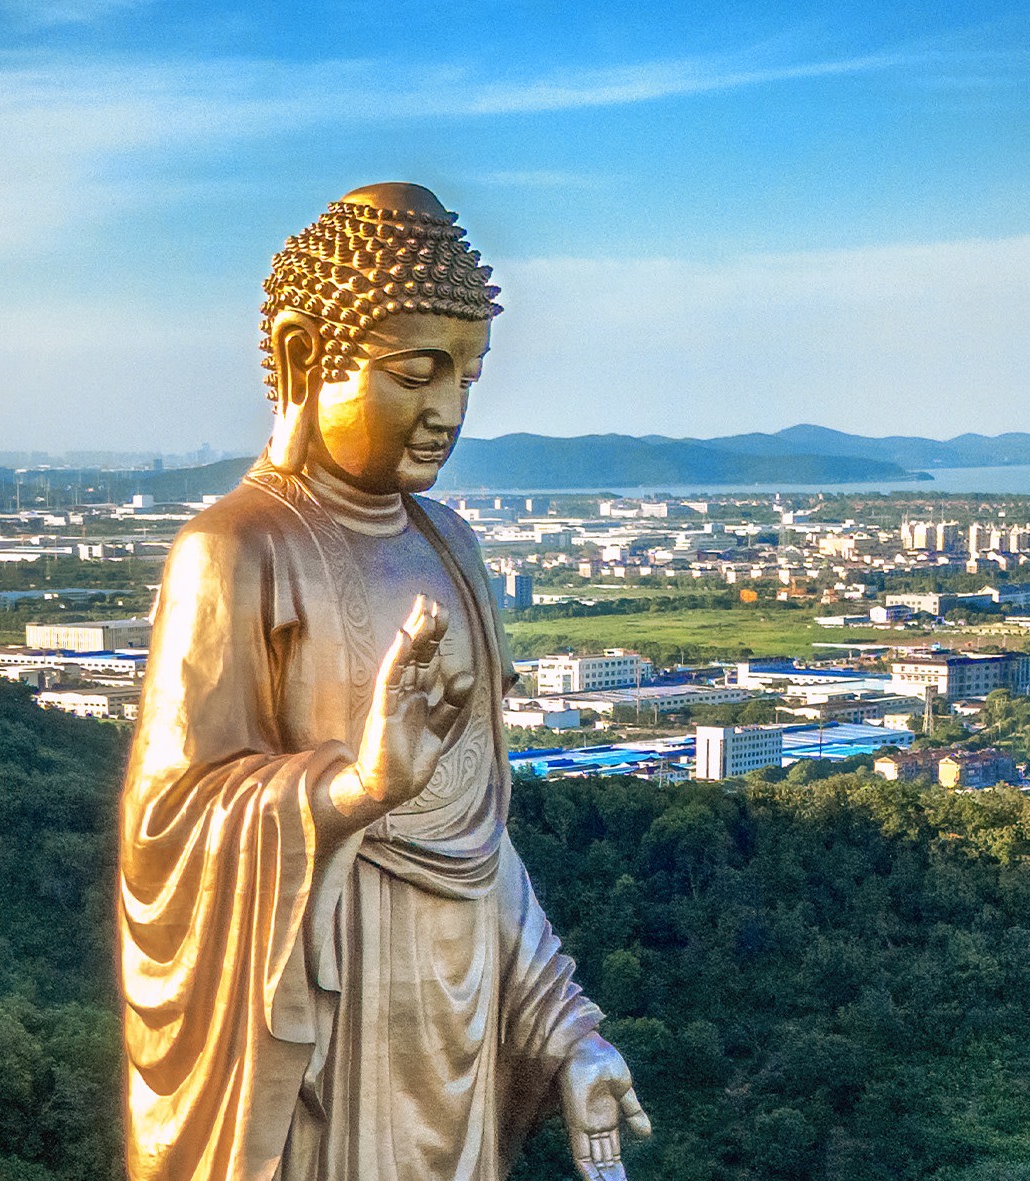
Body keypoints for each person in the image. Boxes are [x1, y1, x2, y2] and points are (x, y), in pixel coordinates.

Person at [119, 183, 649, 1181]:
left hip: (453, 1047)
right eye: (417, 371)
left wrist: (567, 1028)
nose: (447, 410)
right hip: (324, 1045)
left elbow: (473, 848)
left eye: (467, 377)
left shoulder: (452, 550)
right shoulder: (237, 550)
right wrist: (354, 788)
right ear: (299, 355)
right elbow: (167, 832)